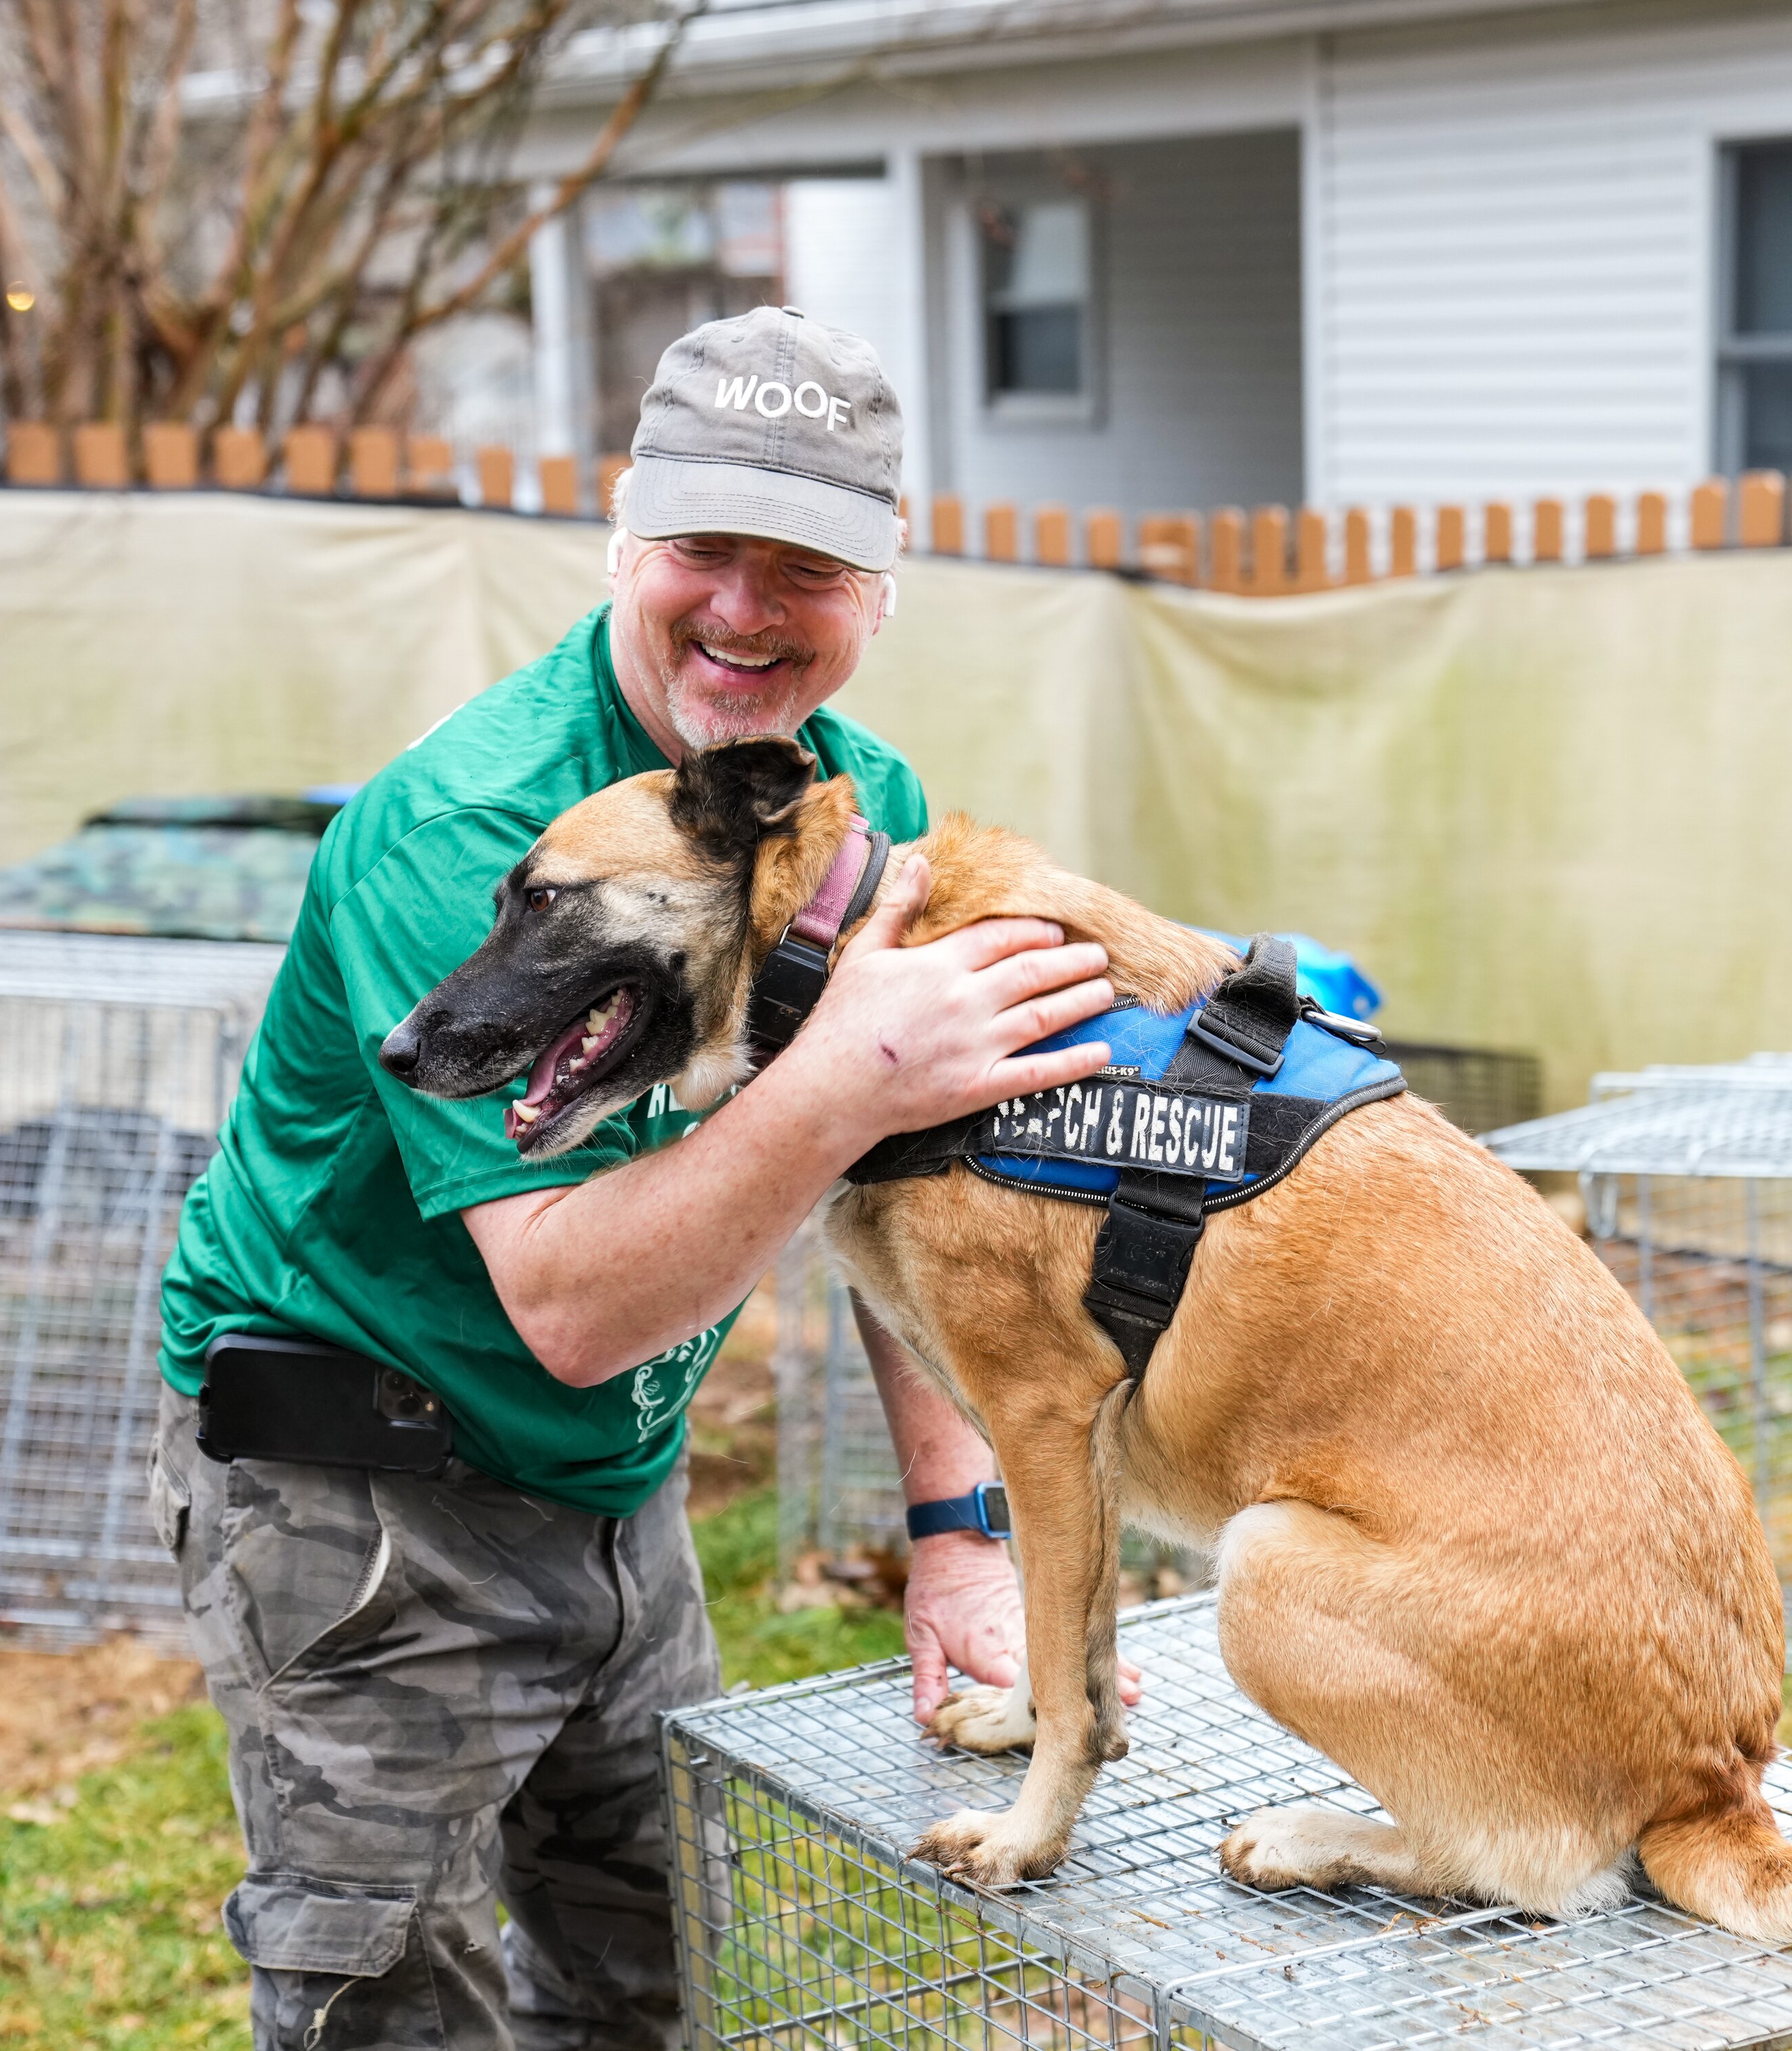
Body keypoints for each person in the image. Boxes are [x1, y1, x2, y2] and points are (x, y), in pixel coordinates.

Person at [146, 306, 1121, 2050]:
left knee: (655, 1982)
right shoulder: (472, 829)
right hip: (365, 1494)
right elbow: (576, 1309)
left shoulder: (851, 803)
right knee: (393, 2011)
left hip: (622, 1499)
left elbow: (911, 1186)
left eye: (805, 565)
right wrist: (847, 1075)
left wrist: (960, 1540)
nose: (744, 610)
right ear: (625, 538)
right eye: (703, 550)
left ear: (878, 594)